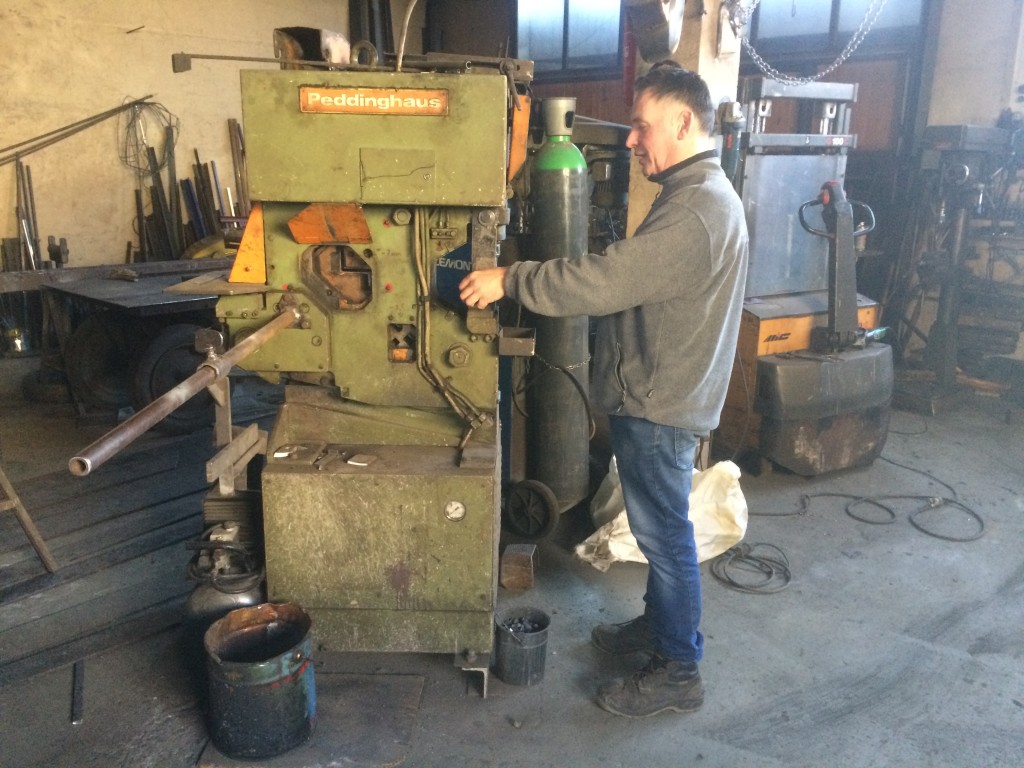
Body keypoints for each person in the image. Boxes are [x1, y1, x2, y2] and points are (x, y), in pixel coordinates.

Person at [459, 62, 749, 718]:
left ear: (683, 122)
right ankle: (661, 631)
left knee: (665, 537)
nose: (631, 141)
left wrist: (512, 279)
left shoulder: (699, 208)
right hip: (661, 393)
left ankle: (679, 670)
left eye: (642, 127)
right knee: (658, 533)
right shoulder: (697, 194)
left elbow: (606, 281)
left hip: (660, 401)